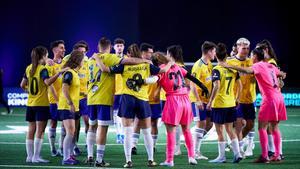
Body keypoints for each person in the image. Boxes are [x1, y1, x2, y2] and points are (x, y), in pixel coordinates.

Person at [94, 44, 172, 168]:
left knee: (127, 132)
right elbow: (162, 71)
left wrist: (97, 58)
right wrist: (170, 63)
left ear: (129, 55)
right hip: (142, 100)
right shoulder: (146, 64)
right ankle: (151, 160)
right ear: (140, 54)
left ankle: (128, 161)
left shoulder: (124, 65)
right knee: (147, 132)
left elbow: (105, 69)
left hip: (127, 99)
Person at [86, 38, 153, 167]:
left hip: (91, 98)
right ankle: (99, 160)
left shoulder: (90, 60)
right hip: (104, 98)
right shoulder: (110, 57)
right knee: (102, 129)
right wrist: (144, 60)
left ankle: (90, 155)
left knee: (91, 127)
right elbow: (128, 61)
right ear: (110, 47)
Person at [221, 48, 287, 163]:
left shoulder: (258, 65)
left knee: (262, 128)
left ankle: (265, 156)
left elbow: (246, 70)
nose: (251, 57)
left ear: (255, 56)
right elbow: (282, 74)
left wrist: (229, 66)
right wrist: (281, 78)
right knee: (274, 127)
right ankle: (277, 155)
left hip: (270, 98)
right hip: (279, 98)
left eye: (252, 55)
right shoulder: (269, 65)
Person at [149, 45, 209, 167]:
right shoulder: (177, 66)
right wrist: (203, 86)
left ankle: (169, 160)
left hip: (173, 101)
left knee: (170, 132)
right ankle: (192, 157)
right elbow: (191, 78)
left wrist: (142, 81)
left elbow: (154, 79)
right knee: (186, 130)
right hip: (185, 100)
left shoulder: (161, 69)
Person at [20, 46, 67, 163]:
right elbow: (47, 82)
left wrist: (30, 91)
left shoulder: (29, 68)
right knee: (40, 131)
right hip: (41, 104)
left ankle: (29, 157)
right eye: (46, 55)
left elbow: (22, 85)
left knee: (31, 130)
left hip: (30, 103)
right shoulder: (42, 69)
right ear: (43, 56)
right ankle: (36, 157)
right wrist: (58, 73)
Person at [207, 43, 243, 163]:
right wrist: (237, 98)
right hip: (230, 103)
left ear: (216, 55)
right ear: (226, 55)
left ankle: (221, 157)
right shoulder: (232, 68)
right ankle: (237, 154)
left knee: (219, 131)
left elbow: (216, 85)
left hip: (219, 104)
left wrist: (210, 101)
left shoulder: (216, 69)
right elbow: (240, 85)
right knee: (230, 130)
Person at [227, 38, 256, 157]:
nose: (246, 50)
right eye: (243, 48)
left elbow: (255, 78)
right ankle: (239, 150)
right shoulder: (230, 62)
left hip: (250, 98)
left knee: (250, 125)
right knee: (238, 125)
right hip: (237, 99)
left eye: (248, 48)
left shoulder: (252, 62)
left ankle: (235, 143)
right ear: (237, 47)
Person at [190, 41, 216, 160]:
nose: (215, 53)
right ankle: (195, 151)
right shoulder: (198, 65)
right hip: (198, 100)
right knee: (201, 123)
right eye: (214, 51)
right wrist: (198, 100)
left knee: (210, 124)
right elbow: (192, 83)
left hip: (207, 100)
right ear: (209, 51)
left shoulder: (209, 64)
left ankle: (192, 142)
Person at [63, 40, 89, 156]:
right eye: (80, 52)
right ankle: (70, 148)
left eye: (84, 52)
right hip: (73, 100)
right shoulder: (68, 64)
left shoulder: (87, 62)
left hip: (85, 98)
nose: (82, 54)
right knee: (73, 126)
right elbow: (64, 84)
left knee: (89, 122)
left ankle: (88, 143)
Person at [58, 51, 84, 165]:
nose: (83, 62)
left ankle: (69, 156)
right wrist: (70, 103)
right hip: (66, 106)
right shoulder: (69, 73)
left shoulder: (74, 73)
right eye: (82, 60)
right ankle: (66, 158)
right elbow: (64, 88)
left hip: (71, 106)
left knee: (71, 132)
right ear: (78, 61)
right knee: (70, 132)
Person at [131, 43, 155, 155]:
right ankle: (134, 145)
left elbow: (157, 77)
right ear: (143, 52)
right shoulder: (135, 62)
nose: (151, 54)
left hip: (151, 98)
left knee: (150, 123)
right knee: (140, 122)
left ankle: (150, 145)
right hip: (141, 97)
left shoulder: (151, 63)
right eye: (150, 52)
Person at [46, 40, 66, 156]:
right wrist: (57, 100)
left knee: (65, 123)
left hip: (64, 99)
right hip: (54, 100)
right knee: (53, 123)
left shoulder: (65, 63)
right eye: (61, 48)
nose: (64, 50)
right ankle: (53, 148)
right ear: (54, 50)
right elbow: (50, 84)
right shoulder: (49, 64)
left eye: (64, 48)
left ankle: (61, 148)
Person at [113, 38, 126, 144]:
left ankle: (123, 134)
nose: (119, 47)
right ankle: (119, 134)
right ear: (114, 47)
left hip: (125, 91)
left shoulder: (127, 59)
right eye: (117, 45)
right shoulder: (111, 59)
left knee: (124, 114)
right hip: (114, 91)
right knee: (116, 114)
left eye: (121, 45)